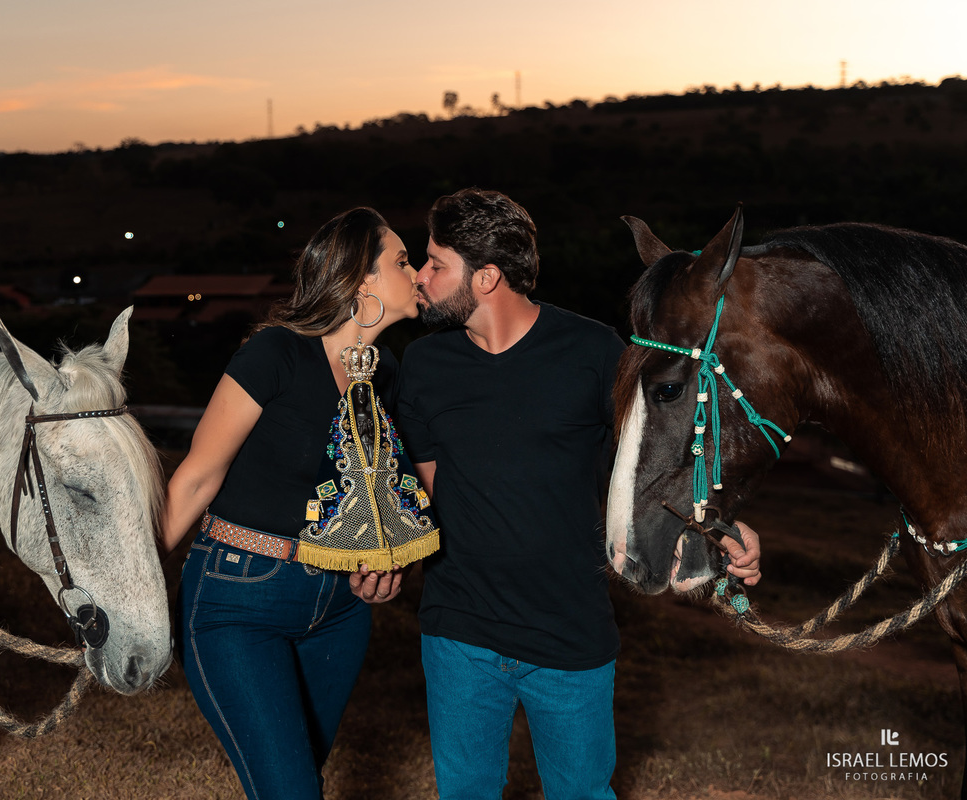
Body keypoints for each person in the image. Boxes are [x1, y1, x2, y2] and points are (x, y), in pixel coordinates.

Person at [353, 188, 761, 799]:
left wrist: (719, 526)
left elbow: (655, 463)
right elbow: (429, 495)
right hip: (458, 632)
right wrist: (382, 553)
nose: (421, 278)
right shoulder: (425, 365)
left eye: (437, 264)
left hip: (569, 634)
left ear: (486, 276)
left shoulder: (595, 353)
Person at [160, 207, 423, 800]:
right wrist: (130, 595)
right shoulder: (275, 354)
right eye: (402, 262)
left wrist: (388, 561)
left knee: (298, 783)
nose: (418, 273)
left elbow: (377, 489)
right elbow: (196, 480)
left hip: (340, 612)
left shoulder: (386, 374)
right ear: (363, 281)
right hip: (238, 597)